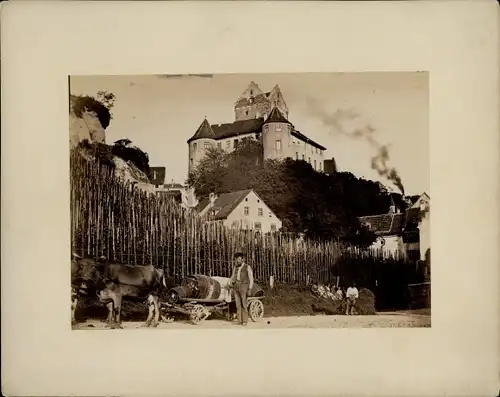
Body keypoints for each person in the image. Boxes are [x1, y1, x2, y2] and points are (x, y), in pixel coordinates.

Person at [228, 252, 254, 326]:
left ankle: (245, 321)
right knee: (237, 304)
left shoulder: (247, 267)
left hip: (244, 286)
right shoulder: (235, 267)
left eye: (239, 259)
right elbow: (232, 277)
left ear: (243, 259)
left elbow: (251, 279)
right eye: (236, 259)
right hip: (236, 286)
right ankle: (240, 320)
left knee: (244, 304)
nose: (237, 261)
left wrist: (250, 289)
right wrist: (230, 284)